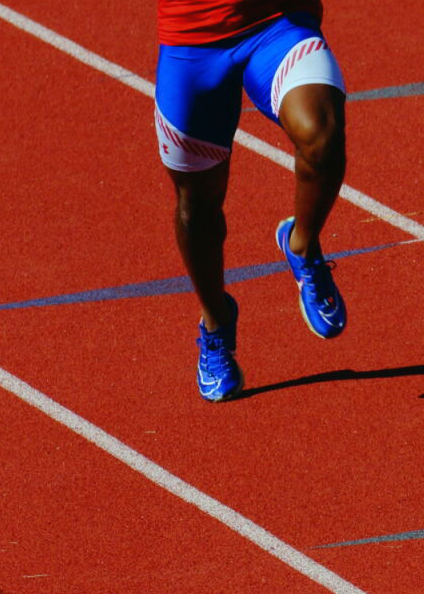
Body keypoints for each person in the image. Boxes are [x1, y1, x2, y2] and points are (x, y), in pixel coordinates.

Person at [155, 0, 348, 401]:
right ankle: (216, 325)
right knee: (196, 208)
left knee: (322, 137)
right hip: (191, 42)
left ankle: (302, 244)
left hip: (277, 23)